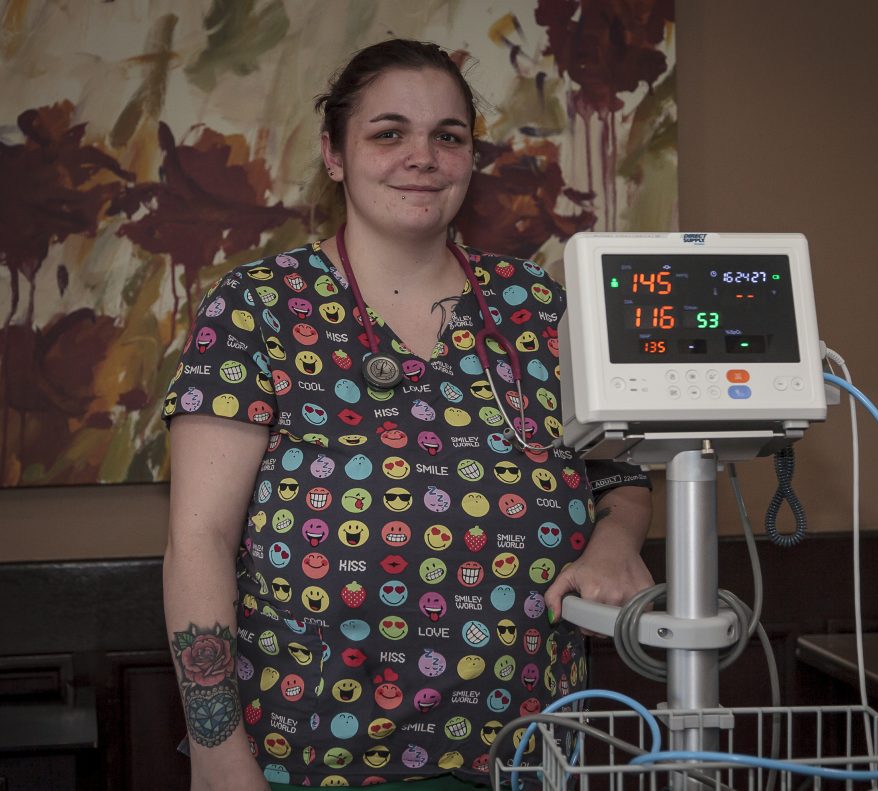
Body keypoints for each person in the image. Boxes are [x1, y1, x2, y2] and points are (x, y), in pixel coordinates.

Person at [162, 38, 654, 790]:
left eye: (447, 137)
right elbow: (199, 537)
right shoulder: (259, 307)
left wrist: (616, 539)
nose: (421, 156)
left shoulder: (537, 305)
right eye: (388, 133)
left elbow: (618, 468)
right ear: (334, 154)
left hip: (530, 748)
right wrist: (216, 751)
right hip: (313, 756)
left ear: (469, 158)